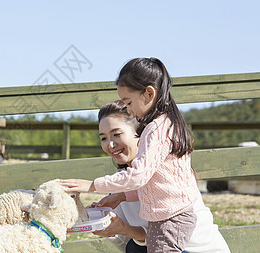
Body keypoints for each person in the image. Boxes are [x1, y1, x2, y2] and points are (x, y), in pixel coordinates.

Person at [60, 58, 198, 252]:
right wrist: (123, 196)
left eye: (129, 102)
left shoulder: (156, 128)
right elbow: (156, 183)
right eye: (103, 138)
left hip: (170, 219)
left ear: (149, 93)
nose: (130, 111)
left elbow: (139, 176)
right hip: (168, 217)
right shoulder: (166, 124)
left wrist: (93, 185)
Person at [88, 100, 230, 252]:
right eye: (103, 138)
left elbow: (168, 235)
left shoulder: (170, 172)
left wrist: (124, 229)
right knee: (135, 248)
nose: (110, 145)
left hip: (193, 249)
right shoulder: (119, 181)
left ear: (141, 133)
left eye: (116, 134)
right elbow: (128, 241)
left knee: (137, 249)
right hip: (159, 246)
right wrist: (102, 222)